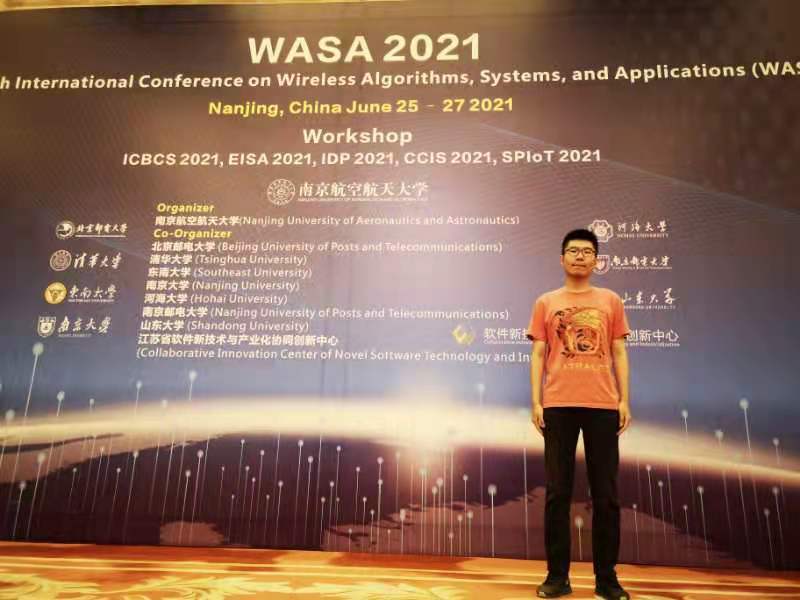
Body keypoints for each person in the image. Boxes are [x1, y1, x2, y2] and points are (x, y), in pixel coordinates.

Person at [527, 228, 631, 600]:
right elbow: (539, 354)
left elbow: (618, 351)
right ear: (562, 258)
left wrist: (624, 400)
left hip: (603, 405)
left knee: (606, 495)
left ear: (596, 260)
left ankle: (607, 580)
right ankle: (557, 577)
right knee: (558, 493)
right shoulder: (546, 302)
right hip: (558, 404)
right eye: (573, 251)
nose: (580, 256)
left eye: (587, 251)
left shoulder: (611, 300)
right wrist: (536, 401)